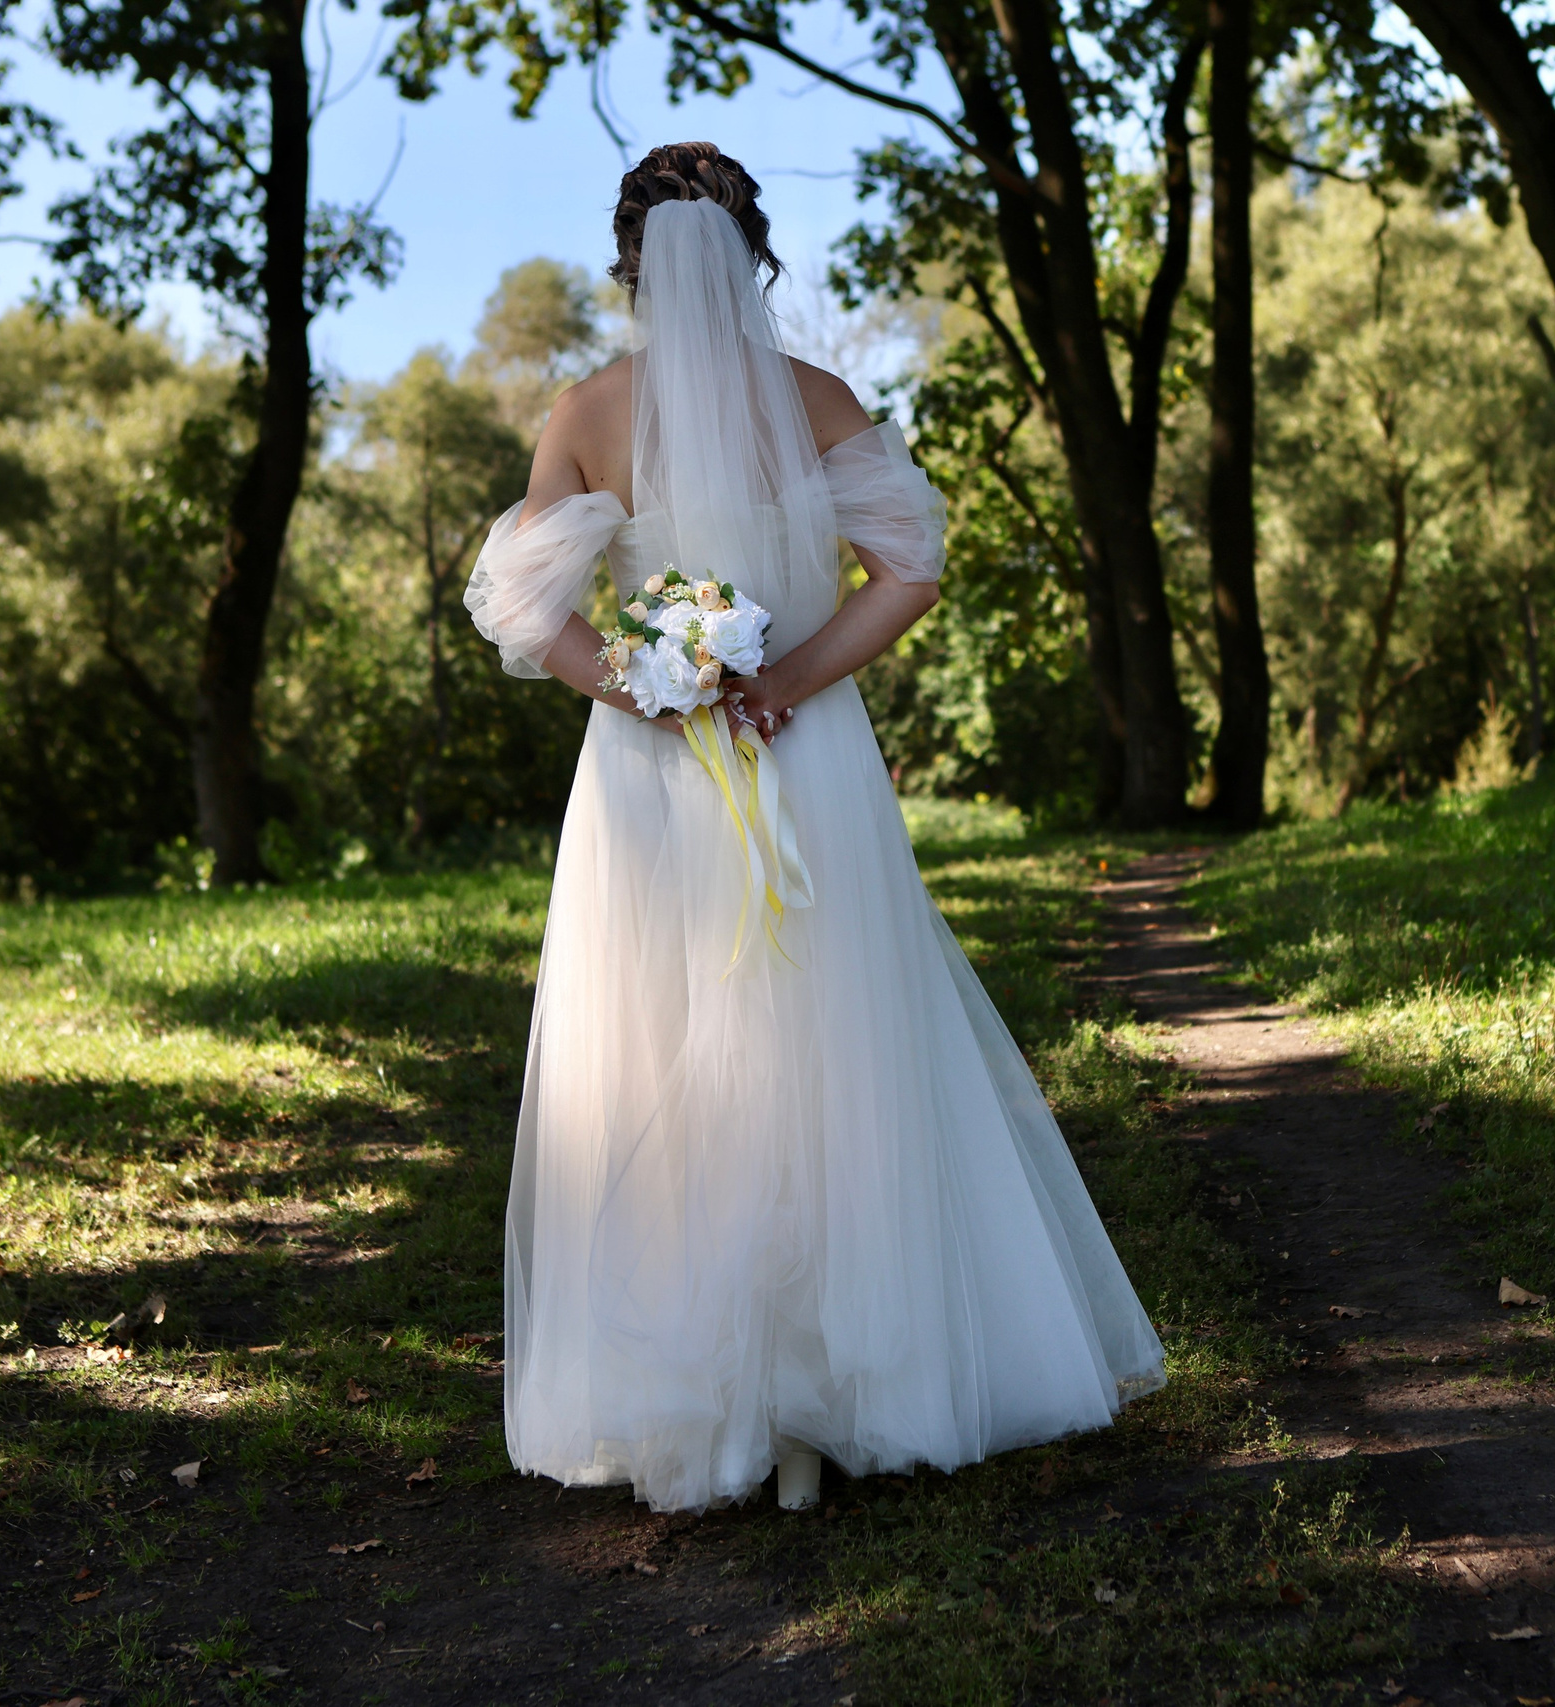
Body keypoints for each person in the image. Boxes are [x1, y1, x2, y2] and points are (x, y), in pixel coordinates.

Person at [464, 143, 1165, 1515]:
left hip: (651, 770)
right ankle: (846, 1389)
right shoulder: (819, 398)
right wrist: (785, 678)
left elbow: (522, 603)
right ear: (754, 252)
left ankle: (699, 1396)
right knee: (837, 1041)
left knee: (662, 1044)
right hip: (808, 749)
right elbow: (909, 569)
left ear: (631, 263)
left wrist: (640, 687)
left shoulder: (590, 410)